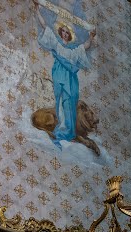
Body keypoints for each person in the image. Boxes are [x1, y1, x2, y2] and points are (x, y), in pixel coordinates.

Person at [34, 0, 94, 144]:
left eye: (68, 32)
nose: (65, 34)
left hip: (71, 78)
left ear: (70, 35)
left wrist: (91, 36)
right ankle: (61, 127)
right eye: (64, 32)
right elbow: (45, 27)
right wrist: (37, 10)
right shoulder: (57, 44)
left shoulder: (73, 50)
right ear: (61, 32)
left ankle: (70, 130)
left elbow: (85, 46)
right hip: (60, 74)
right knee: (61, 99)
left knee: (71, 100)